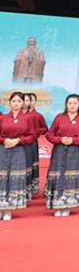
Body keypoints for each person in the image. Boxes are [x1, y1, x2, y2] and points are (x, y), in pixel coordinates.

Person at [45, 94, 79, 217]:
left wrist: (73, 140)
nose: (72, 105)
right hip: (59, 150)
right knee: (58, 175)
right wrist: (60, 139)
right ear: (66, 104)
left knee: (71, 177)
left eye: (75, 103)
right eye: (70, 103)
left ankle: (68, 205)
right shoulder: (59, 117)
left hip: (74, 151)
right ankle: (57, 204)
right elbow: (49, 135)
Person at [0, 92, 36, 220]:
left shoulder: (28, 118)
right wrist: (4, 140)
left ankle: (8, 208)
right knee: (2, 178)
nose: (16, 104)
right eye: (13, 101)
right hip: (3, 150)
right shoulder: (3, 118)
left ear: (23, 103)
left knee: (14, 178)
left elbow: (32, 136)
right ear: (9, 102)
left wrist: (18, 140)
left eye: (19, 101)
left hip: (19, 150)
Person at [24, 92, 47, 197]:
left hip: (32, 142)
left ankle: (31, 187)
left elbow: (45, 128)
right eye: (27, 100)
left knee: (32, 164)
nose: (29, 103)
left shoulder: (38, 116)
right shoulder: (21, 115)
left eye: (32, 100)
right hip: (20, 142)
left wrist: (36, 132)